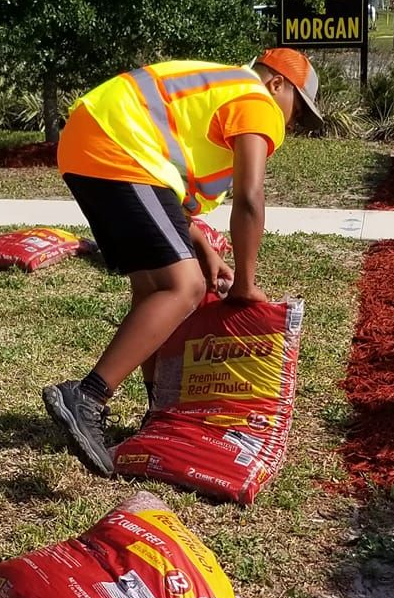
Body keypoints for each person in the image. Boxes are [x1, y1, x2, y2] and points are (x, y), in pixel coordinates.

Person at [42, 48, 322, 476]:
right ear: (278, 84)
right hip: (121, 150)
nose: (291, 123)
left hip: (95, 144)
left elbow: (168, 202)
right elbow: (251, 197)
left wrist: (205, 249)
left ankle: (159, 414)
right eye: (297, 112)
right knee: (185, 287)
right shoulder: (257, 100)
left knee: (155, 289)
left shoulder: (221, 91)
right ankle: (88, 396)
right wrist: (246, 282)